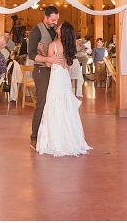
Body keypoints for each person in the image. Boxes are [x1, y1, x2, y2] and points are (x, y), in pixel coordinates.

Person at [35, 21, 91, 157]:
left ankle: (56, 140)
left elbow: (48, 63)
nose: (57, 27)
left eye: (59, 27)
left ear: (62, 31)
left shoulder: (53, 45)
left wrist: (42, 50)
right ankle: (71, 138)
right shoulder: (69, 45)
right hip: (65, 77)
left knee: (53, 104)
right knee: (66, 105)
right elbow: (68, 65)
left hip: (56, 78)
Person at [28, 6, 61, 149]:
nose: (55, 22)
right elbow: (31, 55)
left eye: (57, 20)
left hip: (53, 71)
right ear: (45, 17)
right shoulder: (36, 31)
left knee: (52, 104)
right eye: (53, 20)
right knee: (41, 104)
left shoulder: (55, 31)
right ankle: (34, 137)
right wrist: (49, 59)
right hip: (41, 72)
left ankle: (47, 134)